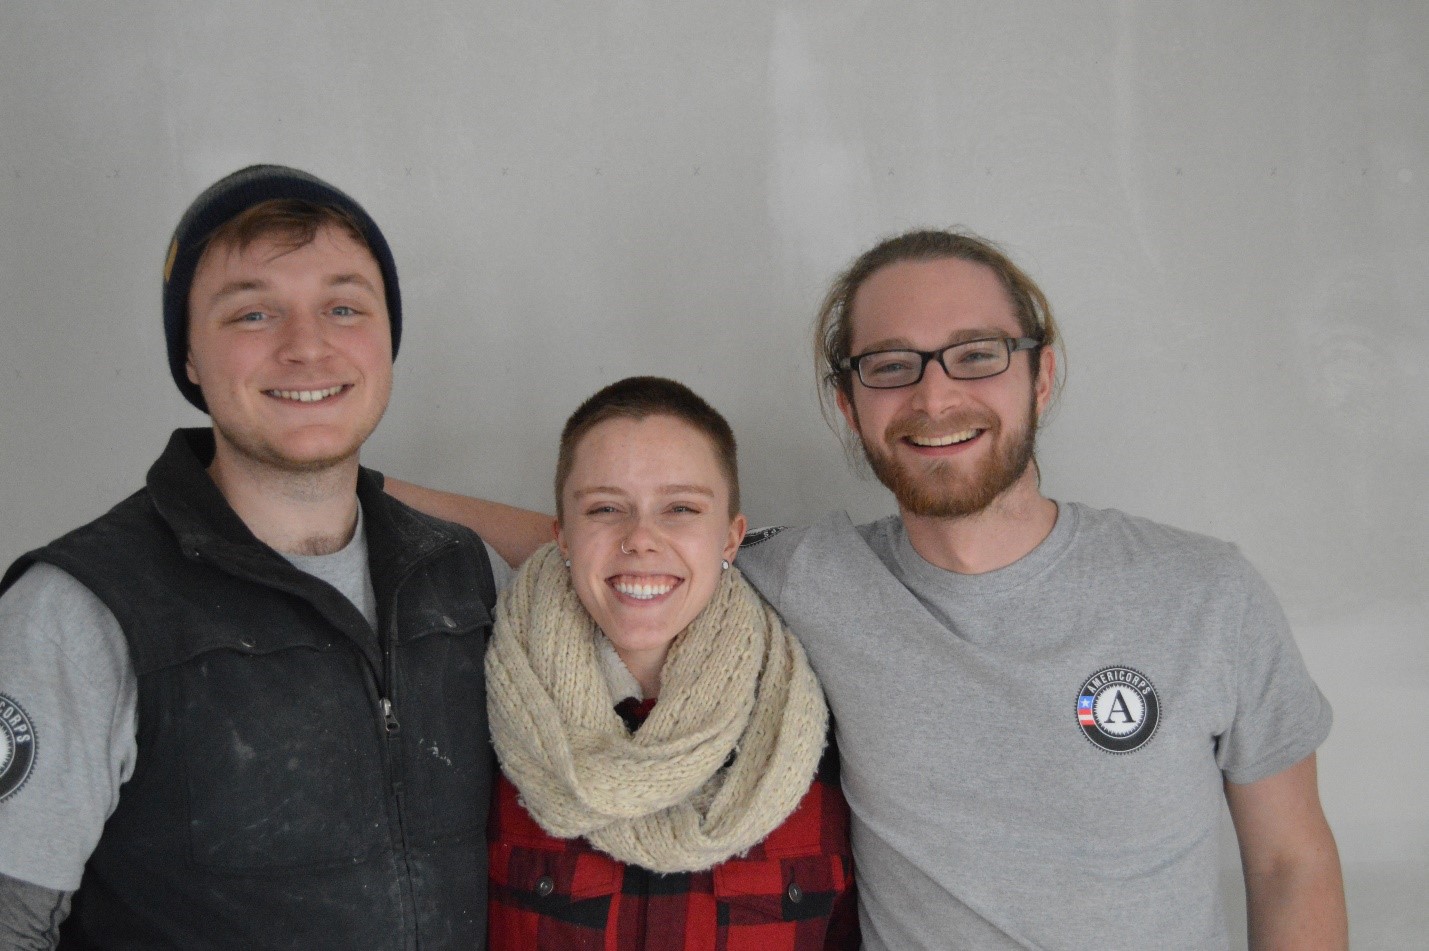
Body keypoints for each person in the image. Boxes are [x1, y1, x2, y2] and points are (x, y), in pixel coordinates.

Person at [392, 230, 1348, 950]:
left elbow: (1289, 861)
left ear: (1041, 374)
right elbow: (611, 549)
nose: (935, 398)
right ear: (849, 405)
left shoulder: (1204, 593)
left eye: (976, 354)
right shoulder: (810, 577)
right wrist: (342, 486)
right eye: (891, 367)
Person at [0, 165, 522, 949]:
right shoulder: (75, 610)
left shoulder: (466, 576)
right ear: (189, 359)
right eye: (252, 314)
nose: (306, 346)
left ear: (387, 342)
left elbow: (609, 548)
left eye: (344, 308)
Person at [483, 376, 857, 950]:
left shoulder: (818, 720)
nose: (641, 539)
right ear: (562, 536)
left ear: (731, 538)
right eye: (606, 508)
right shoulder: (474, 707)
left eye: (680, 508)